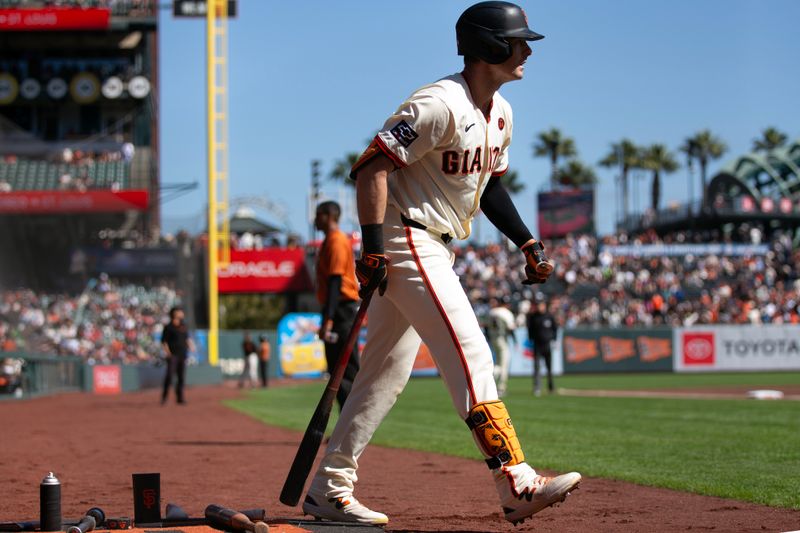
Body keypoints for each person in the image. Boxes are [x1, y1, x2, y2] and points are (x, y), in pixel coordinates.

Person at [302, 2, 580, 526]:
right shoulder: (437, 103)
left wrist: (526, 242)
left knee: (384, 374)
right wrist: (373, 247)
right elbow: (370, 170)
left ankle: (329, 488)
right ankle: (514, 478)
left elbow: (490, 185)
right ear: (489, 47)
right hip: (408, 239)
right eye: (519, 42)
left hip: (436, 241)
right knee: (470, 349)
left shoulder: (502, 112)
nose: (526, 51)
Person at [314, 200, 361, 411]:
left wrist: (329, 319)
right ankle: (345, 427)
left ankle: (351, 429)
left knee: (346, 370)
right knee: (336, 372)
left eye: (318, 215)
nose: (315, 219)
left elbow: (335, 282)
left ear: (328, 216)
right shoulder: (329, 241)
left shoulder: (336, 240)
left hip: (342, 310)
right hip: (336, 309)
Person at [160, 306, 194, 405]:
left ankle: (180, 397)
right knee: (169, 376)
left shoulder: (183, 326)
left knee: (181, 376)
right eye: (179, 312)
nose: (181, 313)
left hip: (182, 354)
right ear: (174, 314)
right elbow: (164, 341)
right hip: (173, 355)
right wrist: (168, 353)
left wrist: (191, 346)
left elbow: (187, 338)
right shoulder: (168, 327)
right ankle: (164, 397)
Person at [526, 295, 558, 396]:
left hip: (547, 345)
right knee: (536, 367)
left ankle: (551, 387)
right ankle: (537, 387)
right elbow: (530, 329)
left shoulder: (549, 316)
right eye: (538, 305)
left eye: (541, 304)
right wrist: (531, 339)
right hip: (537, 345)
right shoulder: (533, 316)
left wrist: (554, 340)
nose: (540, 307)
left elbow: (555, 329)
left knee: (549, 368)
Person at [487, 296, 516, 396]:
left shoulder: (492, 312)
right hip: (502, 339)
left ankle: (490, 381)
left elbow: (486, 327)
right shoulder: (506, 313)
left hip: (494, 339)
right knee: (504, 364)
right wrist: (515, 341)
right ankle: (501, 388)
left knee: (498, 364)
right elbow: (511, 329)